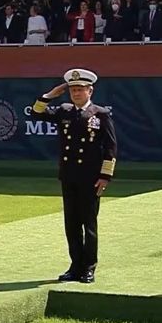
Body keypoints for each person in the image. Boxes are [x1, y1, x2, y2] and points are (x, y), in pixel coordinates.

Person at [29, 68, 117, 283]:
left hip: (91, 178)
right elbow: (36, 113)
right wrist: (49, 96)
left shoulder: (100, 114)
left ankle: (89, 267)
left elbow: (111, 148)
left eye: (81, 89)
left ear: (90, 91)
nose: (76, 93)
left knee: (89, 224)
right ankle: (75, 266)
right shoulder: (64, 111)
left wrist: (105, 177)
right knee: (71, 224)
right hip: (69, 176)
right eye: (73, 90)